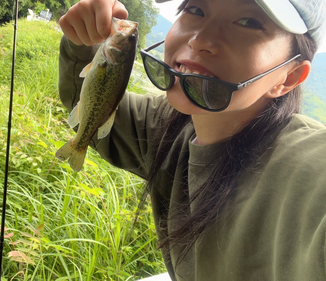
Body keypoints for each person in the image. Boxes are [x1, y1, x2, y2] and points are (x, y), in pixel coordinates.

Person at [58, 0, 326, 280]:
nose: (201, 40)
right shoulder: (167, 124)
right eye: (196, 9)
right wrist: (83, 40)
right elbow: (91, 106)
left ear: (289, 76)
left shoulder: (311, 172)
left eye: (249, 22)